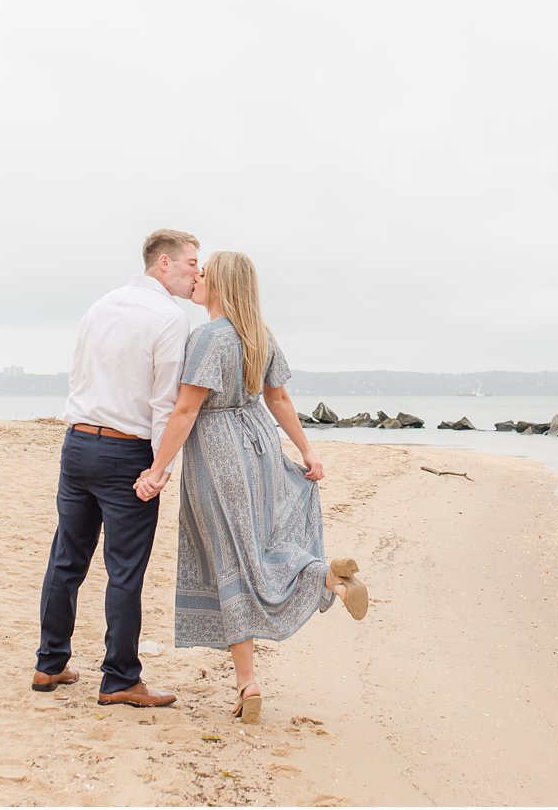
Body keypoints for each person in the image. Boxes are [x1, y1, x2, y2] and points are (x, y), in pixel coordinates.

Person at [134, 251, 368, 725]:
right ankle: (319, 576)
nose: (196, 278)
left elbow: (186, 410)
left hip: (219, 452)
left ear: (219, 284)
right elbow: (278, 398)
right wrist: (307, 451)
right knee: (258, 546)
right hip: (259, 443)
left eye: (204, 273)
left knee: (230, 558)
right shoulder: (260, 333)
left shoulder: (207, 337)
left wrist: (157, 469)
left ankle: (252, 677)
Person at [32, 228, 200, 708]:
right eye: (191, 263)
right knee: (125, 569)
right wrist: (161, 466)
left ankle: (50, 663)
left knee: (67, 557)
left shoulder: (101, 305)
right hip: (126, 451)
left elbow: (78, 374)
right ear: (163, 263)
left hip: (78, 442)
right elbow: (165, 402)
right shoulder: (169, 318)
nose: (196, 272)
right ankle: (120, 678)